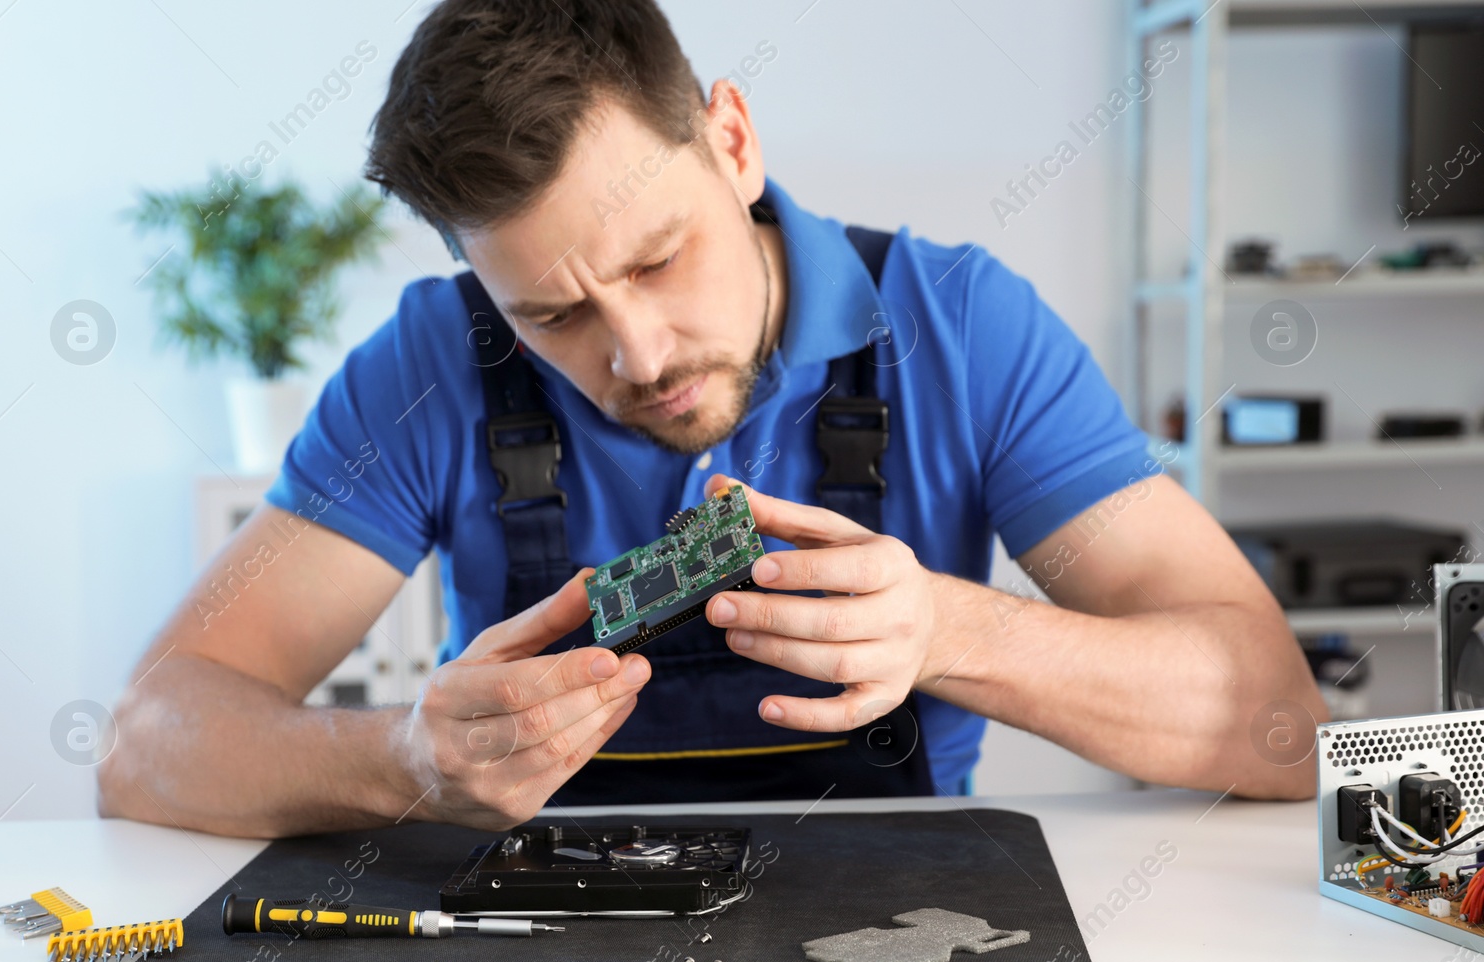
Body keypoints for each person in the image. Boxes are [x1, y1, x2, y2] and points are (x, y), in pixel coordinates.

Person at [99, 0, 1325, 837]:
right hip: (543, 942)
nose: (635, 355)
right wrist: (405, 760)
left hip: (901, 935)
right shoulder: (428, 360)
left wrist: (947, 629)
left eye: (655, 260)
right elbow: (146, 743)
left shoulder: (961, 326)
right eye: (551, 316)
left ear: (730, 141)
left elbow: (1277, 720)